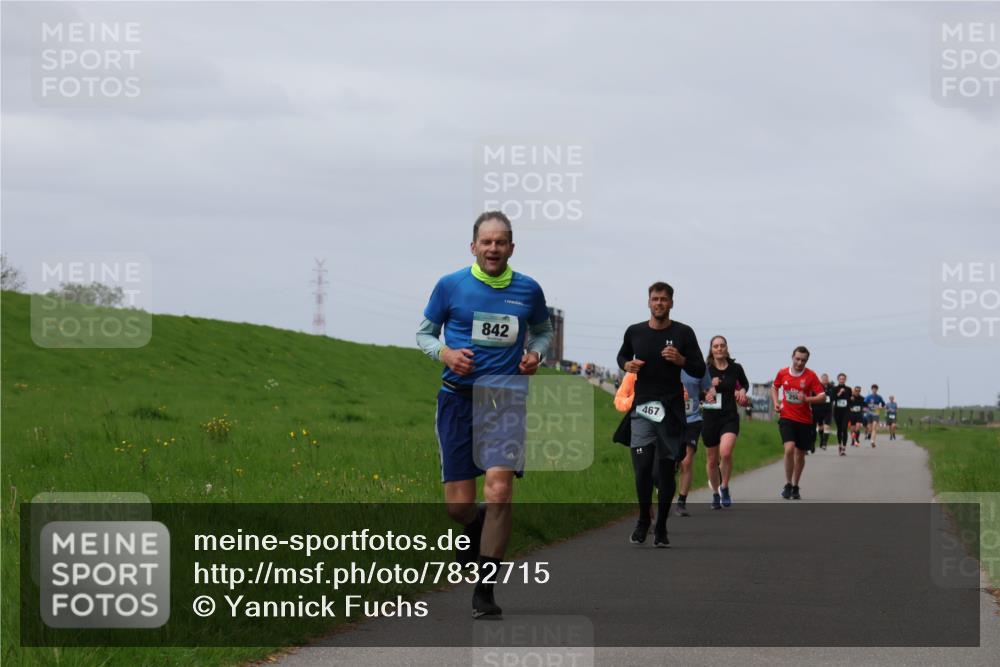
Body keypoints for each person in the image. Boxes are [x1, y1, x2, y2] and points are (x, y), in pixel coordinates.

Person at [416, 211, 553, 619]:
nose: (494, 249)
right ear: (473, 246)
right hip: (458, 401)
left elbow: (543, 331)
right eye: (486, 242)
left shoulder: (528, 290)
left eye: (501, 242)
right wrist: (446, 353)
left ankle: (485, 589)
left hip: (505, 400)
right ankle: (472, 529)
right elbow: (424, 332)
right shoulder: (450, 285)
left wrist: (536, 354)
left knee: (499, 491)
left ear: (512, 247)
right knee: (458, 508)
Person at [617, 282, 706, 548]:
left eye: (664, 299)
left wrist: (681, 360)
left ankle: (663, 526)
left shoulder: (684, 333)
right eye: (655, 299)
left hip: (671, 412)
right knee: (643, 470)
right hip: (643, 409)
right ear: (648, 302)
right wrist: (626, 364)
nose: (659, 303)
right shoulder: (635, 332)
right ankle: (644, 519)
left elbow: (700, 369)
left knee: (666, 472)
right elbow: (622, 354)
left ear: (671, 303)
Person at [771, 346, 827, 500]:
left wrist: (808, 399)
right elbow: (774, 387)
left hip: (804, 420)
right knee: (789, 449)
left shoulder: (811, 376)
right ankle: (788, 484)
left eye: (803, 360)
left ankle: (796, 485)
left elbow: (823, 396)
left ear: (806, 361)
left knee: (800, 455)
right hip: (786, 417)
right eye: (797, 359)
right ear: (792, 357)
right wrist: (776, 402)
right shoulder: (783, 372)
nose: (799, 362)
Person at [702, 335, 750, 509]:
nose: (719, 348)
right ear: (711, 349)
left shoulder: (735, 368)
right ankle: (715, 493)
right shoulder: (705, 370)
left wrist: (742, 392)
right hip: (710, 418)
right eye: (716, 346)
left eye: (722, 345)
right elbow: (696, 391)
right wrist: (707, 390)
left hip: (729, 416)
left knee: (726, 453)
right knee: (712, 459)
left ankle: (725, 487)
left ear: (727, 348)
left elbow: (744, 383)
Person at [677, 369, 711, 515]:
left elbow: (709, 389)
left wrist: (710, 394)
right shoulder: (667, 362)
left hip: (693, 420)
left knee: (686, 461)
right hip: (670, 420)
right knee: (670, 462)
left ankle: (681, 502)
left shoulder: (698, 366)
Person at [811, 373, 835, 451]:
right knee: (819, 427)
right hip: (817, 410)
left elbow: (835, 397)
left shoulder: (832, 387)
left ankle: (824, 443)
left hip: (828, 410)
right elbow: (812, 397)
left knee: (827, 426)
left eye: (826, 379)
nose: (825, 381)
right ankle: (816, 442)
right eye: (824, 379)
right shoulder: (816, 386)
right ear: (821, 380)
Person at [831, 373, 852, 455]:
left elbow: (850, 400)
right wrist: (839, 393)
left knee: (844, 428)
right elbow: (833, 399)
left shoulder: (849, 389)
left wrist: (851, 399)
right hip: (837, 411)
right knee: (839, 429)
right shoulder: (834, 388)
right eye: (840, 379)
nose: (842, 380)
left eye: (843, 379)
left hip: (846, 411)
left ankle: (844, 448)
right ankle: (839, 445)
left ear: (845, 380)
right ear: (838, 379)